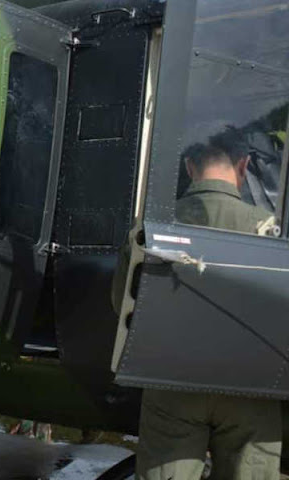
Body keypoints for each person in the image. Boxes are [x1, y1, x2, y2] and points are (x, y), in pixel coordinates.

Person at [137, 128, 281, 480]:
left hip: (173, 383)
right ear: (244, 166)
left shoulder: (153, 227)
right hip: (252, 388)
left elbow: (124, 303)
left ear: (189, 167)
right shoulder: (272, 232)